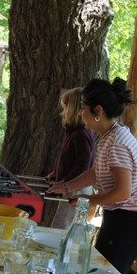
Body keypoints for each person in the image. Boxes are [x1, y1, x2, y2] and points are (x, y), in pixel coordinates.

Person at [47, 77, 137, 274]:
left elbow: (123, 192)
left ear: (98, 111)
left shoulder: (117, 143)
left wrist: (88, 200)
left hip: (129, 222)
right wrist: (65, 188)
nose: (81, 112)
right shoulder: (109, 137)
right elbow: (95, 173)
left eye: (83, 107)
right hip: (119, 217)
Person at [46, 87, 95, 229]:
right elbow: (69, 159)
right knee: (60, 225)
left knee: (62, 228)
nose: (63, 112)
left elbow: (82, 166)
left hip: (76, 188)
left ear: (73, 109)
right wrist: (56, 173)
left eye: (65, 108)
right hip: (70, 186)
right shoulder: (73, 132)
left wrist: (64, 182)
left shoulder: (81, 134)